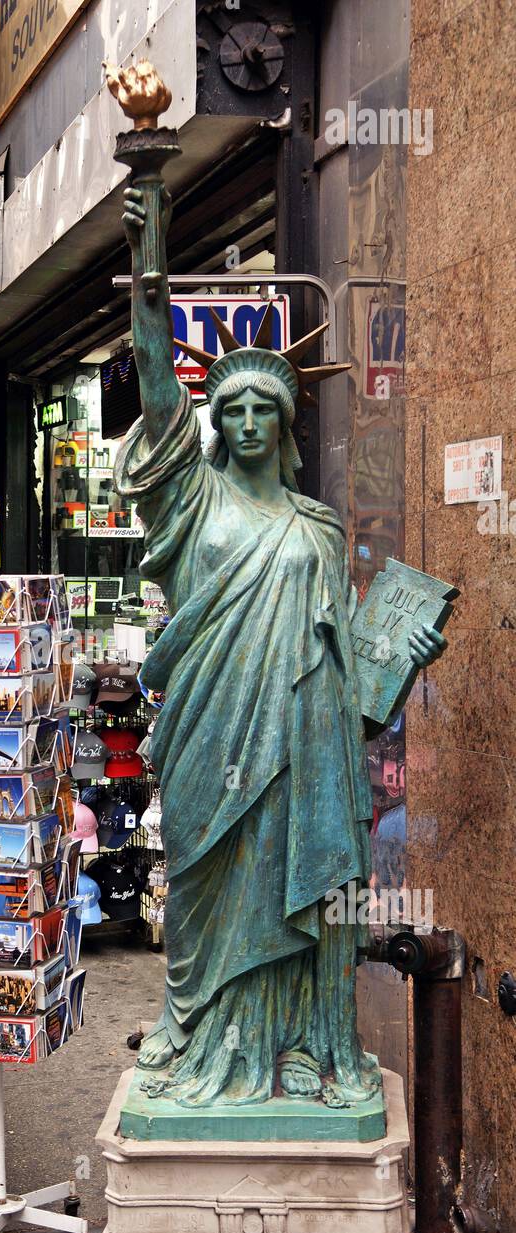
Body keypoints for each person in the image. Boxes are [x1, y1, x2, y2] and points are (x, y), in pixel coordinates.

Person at [116, 180, 445, 1109]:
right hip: (209, 744)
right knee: (207, 889)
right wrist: (153, 259)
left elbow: (344, 654)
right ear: (215, 423)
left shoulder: (316, 526)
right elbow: (152, 377)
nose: (251, 422)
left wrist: (395, 651)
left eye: (268, 407)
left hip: (304, 752)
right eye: (236, 410)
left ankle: (297, 1047)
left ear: (287, 420)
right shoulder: (193, 498)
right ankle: (203, 1038)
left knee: (294, 882)